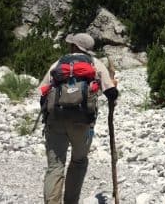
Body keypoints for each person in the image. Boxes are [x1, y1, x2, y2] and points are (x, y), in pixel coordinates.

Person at [39, 33, 119, 204]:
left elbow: (42, 93)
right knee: (79, 161)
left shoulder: (59, 64)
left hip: (56, 119)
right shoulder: (95, 64)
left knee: (55, 166)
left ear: (74, 47)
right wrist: (113, 85)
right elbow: (111, 94)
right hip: (82, 122)